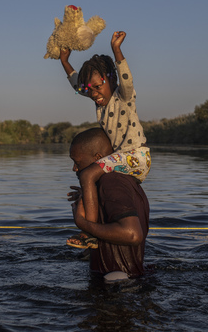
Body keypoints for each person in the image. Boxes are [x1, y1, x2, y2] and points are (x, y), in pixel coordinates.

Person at [59, 31, 151, 249]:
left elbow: (126, 79)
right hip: (121, 159)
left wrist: (117, 50)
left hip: (136, 156)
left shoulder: (123, 97)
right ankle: (91, 229)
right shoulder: (97, 100)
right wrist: (64, 60)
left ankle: (87, 232)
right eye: (89, 90)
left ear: (111, 79)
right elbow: (77, 85)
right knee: (87, 185)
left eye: (98, 87)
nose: (94, 94)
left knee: (87, 173)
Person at [68, 128, 150, 280]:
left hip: (116, 286)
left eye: (77, 162)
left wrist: (81, 222)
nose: (74, 168)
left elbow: (132, 234)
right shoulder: (123, 181)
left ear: (98, 157)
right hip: (126, 280)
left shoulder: (111, 182)